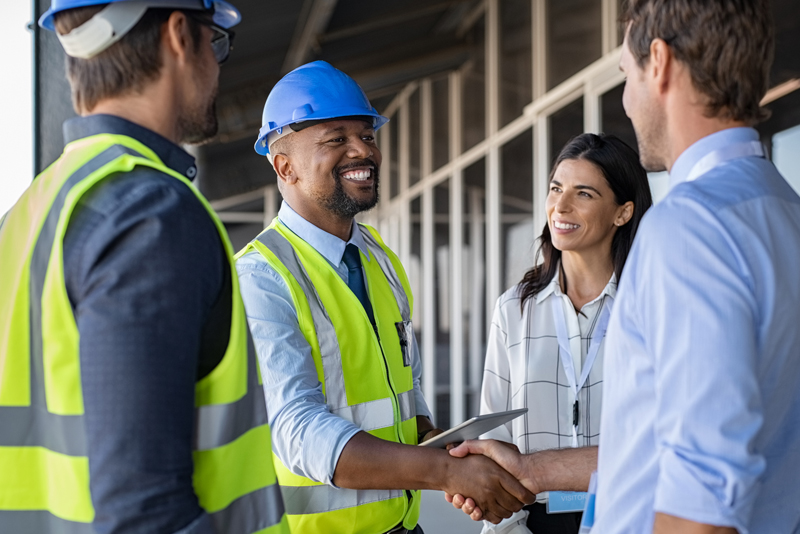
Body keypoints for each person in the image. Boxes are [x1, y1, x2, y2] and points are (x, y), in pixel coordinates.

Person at [450, 0, 800, 532]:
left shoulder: (689, 229)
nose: (626, 100)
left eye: (625, 73)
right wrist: (532, 470)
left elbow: (701, 488)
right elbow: (659, 444)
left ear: (657, 62)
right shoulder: (782, 208)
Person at [0, 1, 288, 533]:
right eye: (215, 41)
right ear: (179, 34)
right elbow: (146, 515)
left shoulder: (27, 212)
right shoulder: (150, 214)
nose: (218, 64)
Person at [235, 60, 534, 534]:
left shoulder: (380, 261)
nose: (363, 151)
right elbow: (298, 431)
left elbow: (403, 397)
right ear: (284, 166)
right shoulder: (260, 278)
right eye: (336, 139)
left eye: (368, 135)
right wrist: (447, 473)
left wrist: (450, 448)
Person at [476, 133, 651, 534]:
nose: (561, 206)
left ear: (622, 213)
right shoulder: (513, 309)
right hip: (536, 522)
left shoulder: (649, 307)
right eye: (556, 188)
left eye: (584, 193)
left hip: (630, 518)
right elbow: (494, 435)